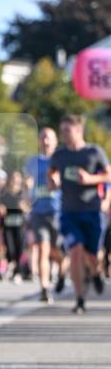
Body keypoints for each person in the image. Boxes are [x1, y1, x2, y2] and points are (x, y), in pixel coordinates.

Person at [49, 114, 111, 314]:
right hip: (69, 213)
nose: (64, 135)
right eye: (62, 131)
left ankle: (96, 273)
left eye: (67, 131)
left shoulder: (94, 152)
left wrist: (91, 179)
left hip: (92, 212)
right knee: (75, 250)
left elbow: (109, 174)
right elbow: (51, 172)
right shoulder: (59, 155)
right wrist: (53, 181)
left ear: (79, 131)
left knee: (92, 255)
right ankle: (80, 299)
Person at [24, 127, 66, 302]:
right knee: (42, 250)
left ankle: (63, 272)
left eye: (49, 138)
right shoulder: (32, 162)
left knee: (57, 253)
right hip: (38, 212)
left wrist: (59, 182)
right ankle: (44, 288)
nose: (45, 141)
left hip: (58, 212)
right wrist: (26, 195)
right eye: (42, 137)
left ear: (56, 141)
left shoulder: (62, 160)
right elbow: (27, 184)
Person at [0, 171, 30, 282]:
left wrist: (24, 208)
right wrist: (1, 208)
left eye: (17, 178)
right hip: (7, 224)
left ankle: (17, 272)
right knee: (10, 248)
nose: (15, 181)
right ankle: (11, 267)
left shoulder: (23, 192)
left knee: (20, 248)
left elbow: (28, 208)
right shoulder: (4, 192)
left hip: (19, 224)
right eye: (13, 178)